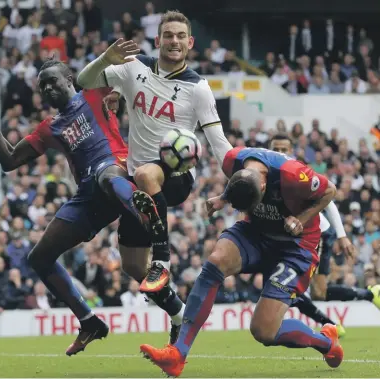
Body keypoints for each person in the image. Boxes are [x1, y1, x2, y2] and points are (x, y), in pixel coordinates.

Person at [0, 53, 184, 354]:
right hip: (89, 197)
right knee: (40, 257)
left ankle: (144, 211)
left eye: (51, 82)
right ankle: (92, 320)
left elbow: (134, 77)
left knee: (105, 176)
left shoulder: (95, 92)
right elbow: (9, 160)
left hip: (119, 171)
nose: (46, 90)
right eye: (41, 86)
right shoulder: (49, 127)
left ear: (69, 79)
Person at [140, 146, 343, 377]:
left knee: (263, 331)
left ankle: (326, 342)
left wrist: (301, 219)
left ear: (264, 186)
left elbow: (330, 191)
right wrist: (224, 198)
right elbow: (241, 182)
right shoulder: (232, 160)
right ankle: (178, 354)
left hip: (296, 246)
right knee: (215, 262)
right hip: (255, 232)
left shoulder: (295, 175)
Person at [77, 10, 232, 294]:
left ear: (191, 43)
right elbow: (84, 81)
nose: (175, 41)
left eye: (181, 36)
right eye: (169, 35)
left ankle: (163, 259)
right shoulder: (134, 67)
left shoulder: (198, 88)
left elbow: (218, 141)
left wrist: (236, 179)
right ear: (158, 40)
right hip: (140, 183)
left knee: (148, 173)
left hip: (177, 175)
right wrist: (105, 60)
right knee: (133, 266)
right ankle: (177, 315)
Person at [269, 133, 380, 331]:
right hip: (289, 238)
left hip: (317, 235)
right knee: (298, 289)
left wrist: (342, 236)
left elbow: (328, 200)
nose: (279, 153)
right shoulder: (265, 175)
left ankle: (361, 302)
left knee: (312, 291)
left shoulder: (300, 174)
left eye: (284, 149)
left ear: (292, 152)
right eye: (275, 149)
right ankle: (336, 322)